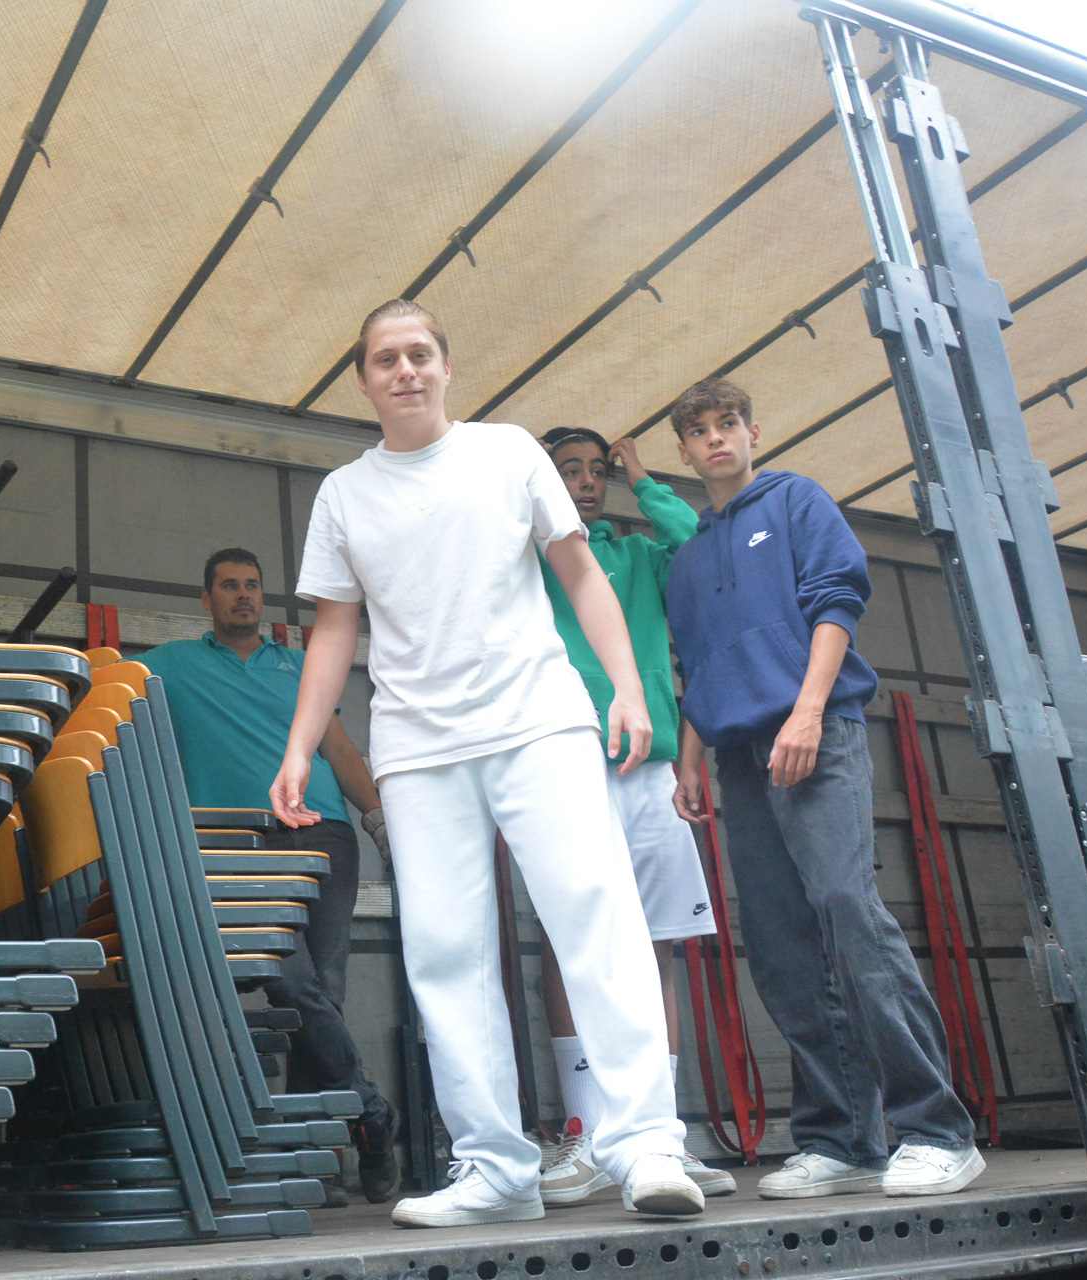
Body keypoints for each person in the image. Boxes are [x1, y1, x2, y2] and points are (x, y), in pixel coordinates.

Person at [270, 298, 702, 1228]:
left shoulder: (507, 452)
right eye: (385, 358)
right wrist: (302, 745)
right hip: (418, 746)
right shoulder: (344, 493)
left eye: (419, 353)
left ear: (445, 366)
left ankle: (646, 1146)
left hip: (538, 720)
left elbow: (579, 570)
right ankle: (497, 1168)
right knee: (445, 953)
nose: (405, 370)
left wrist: (629, 687)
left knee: (595, 916)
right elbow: (335, 628)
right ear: (363, 380)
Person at [664, 377, 984, 1199]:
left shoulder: (796, 500)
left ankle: (938, 1129)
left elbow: (837, 602)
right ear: (685, 452)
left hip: (817, 730)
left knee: (848, 910)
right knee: (780, 944)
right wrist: (689, 759)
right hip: (740, 758)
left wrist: (807, 713)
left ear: (753, 431)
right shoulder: (688, 561)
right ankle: (841, 1140)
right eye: (699, 431)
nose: (716, 438)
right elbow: (696, 666)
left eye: (728, 422)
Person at [141, 549, 400, 1204]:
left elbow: (339, 750)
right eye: (229, 585)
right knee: (292, 982)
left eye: (252, 585)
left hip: (323, 832)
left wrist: (378, 822)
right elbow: (100, 689)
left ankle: (314, 1161)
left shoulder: (300, 667)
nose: (243, 595)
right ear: (207, 599)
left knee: (325, 987)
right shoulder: (168, 664)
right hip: (238, 841)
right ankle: (368, 1113)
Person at [527, 426, 735, 1206]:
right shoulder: (529, 558)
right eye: (569, 470)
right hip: (563, 757)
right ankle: (586, 1133)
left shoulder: (640, 554)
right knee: (568, 935)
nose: (586, 482)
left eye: (596, 471)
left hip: (649, 763)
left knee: (658, 944)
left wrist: (645, 477)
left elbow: (699, 540)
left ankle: (660, 1136)